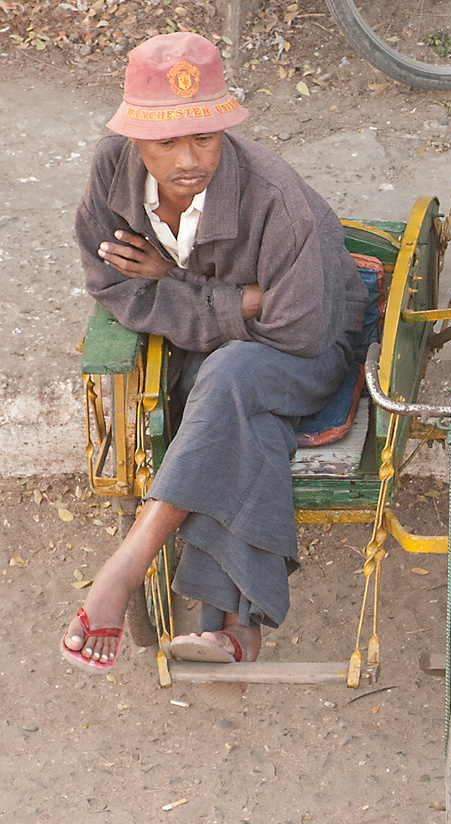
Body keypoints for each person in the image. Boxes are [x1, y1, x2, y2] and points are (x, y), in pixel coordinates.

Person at [62, 32, 367, 673]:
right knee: (233, 403)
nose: (188, 158)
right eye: (166, 141)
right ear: (135, 136)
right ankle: (235, 630)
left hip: (309, 342)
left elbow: (301, 333)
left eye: (205, 136)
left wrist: (181, 289)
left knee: (226, 373)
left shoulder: (277, 201)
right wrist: (240, 301)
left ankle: (126, 564)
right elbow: (110, 281)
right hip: (224, 350)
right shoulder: (111, 173)